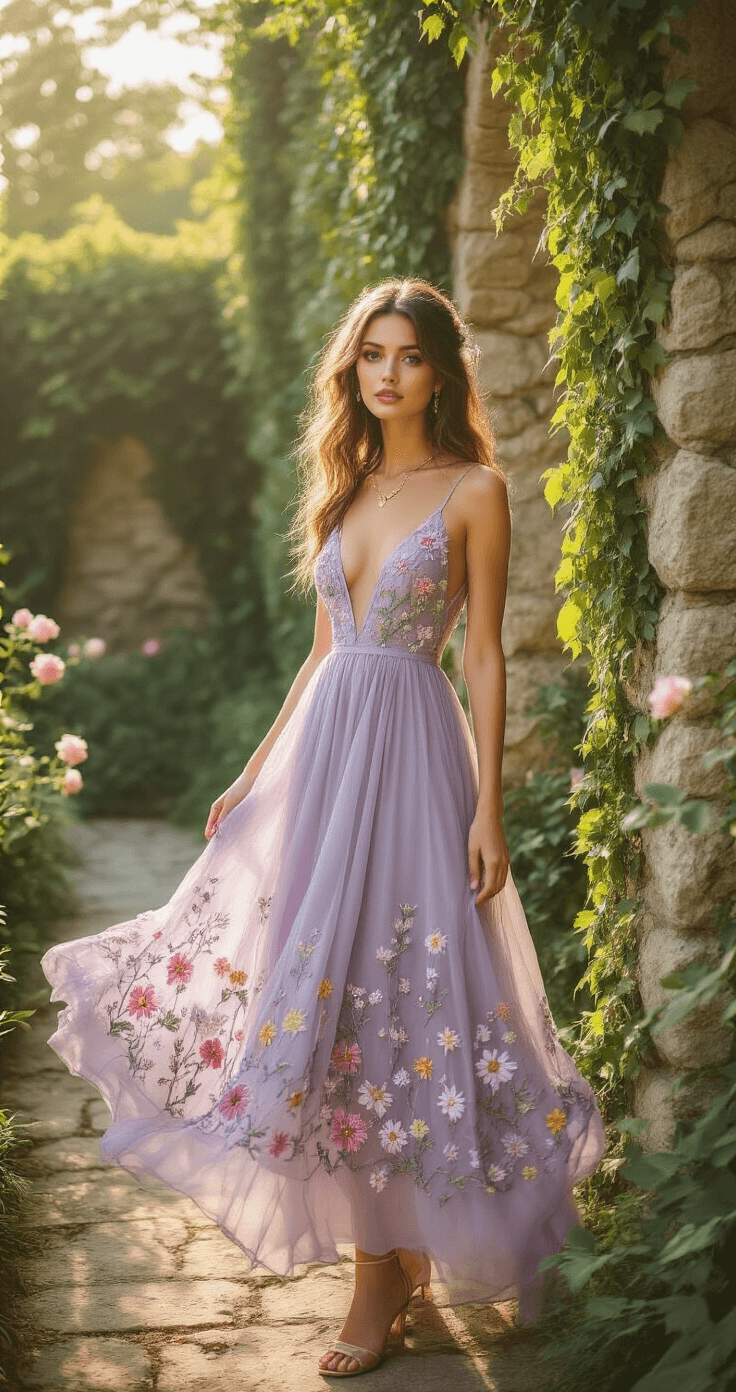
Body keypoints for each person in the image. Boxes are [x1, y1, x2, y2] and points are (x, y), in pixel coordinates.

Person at [41, 277, 605, 1380]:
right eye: (369, 356)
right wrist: (252, 774)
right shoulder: (342, 491)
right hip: (324, 768)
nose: (385, 373)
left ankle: (382, 1276)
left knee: (402, 997)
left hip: (411, 759)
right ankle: (390, 1264)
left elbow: (482, 654)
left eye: (406, 355)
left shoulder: (476, 491)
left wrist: (490, 802)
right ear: (352, 372)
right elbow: (318, 655)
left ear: (442, 371)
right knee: (325, 996)